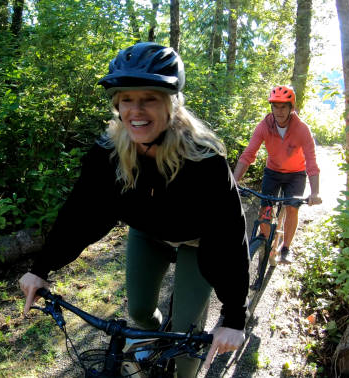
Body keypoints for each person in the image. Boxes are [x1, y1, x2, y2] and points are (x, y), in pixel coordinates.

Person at [18, 42, 248, 377]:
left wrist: (234, 317)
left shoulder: (205, 161)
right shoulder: (107, 154)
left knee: (186, 348)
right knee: (140, 312)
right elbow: (79, 213)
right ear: (117, 104)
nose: (136, 111)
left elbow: (229, 235)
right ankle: (154, 339)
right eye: (127, 99)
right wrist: (41, 268)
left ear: (171, 105)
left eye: (149, 99)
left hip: (200, 243)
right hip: (148, 234)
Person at [233, 85, 321, 264]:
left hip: (296, 174)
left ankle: (286, 248)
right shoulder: (265, 126)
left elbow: (311, 162)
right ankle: (264, 241)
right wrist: (234, 180)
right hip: (272, 172)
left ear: (291, 108)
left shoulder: (302, 129)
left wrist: (315, 192)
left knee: (291, 208)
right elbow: (249, 154)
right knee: (265, 208)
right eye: (275, 106)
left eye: (283, 106)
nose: (279, 111)